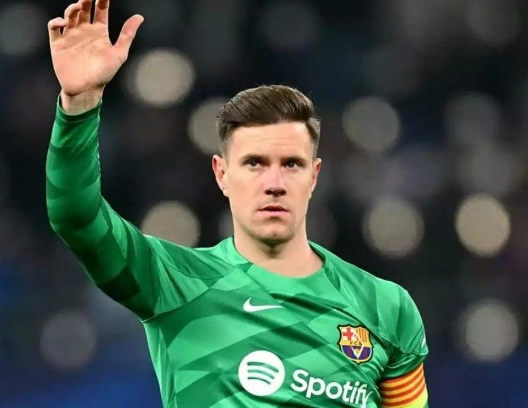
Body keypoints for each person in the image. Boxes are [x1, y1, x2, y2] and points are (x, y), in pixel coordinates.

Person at [46, 0, 430, 407]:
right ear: (222, 174)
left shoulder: (386, 307)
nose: (274, 184)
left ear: (314, 175)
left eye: (292, 164)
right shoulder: (175, 282)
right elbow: (76, 216)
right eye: (254, 164)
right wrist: (80, 105)